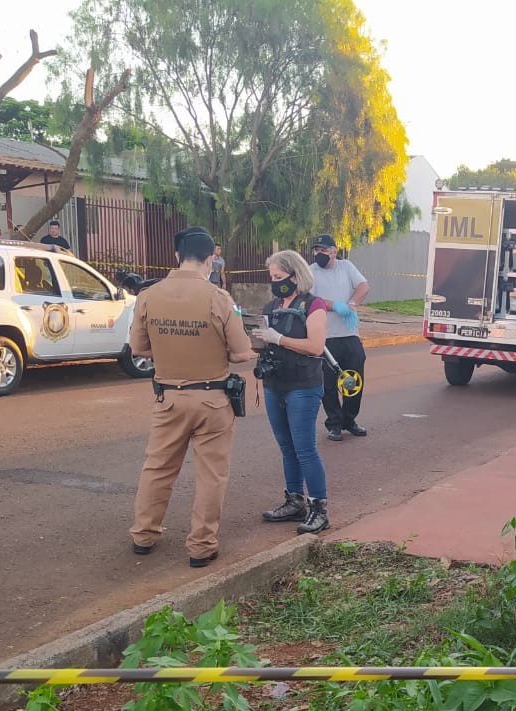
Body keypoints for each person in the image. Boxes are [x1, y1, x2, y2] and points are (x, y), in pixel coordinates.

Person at [128, 226, 254, 567]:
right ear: (211, 260)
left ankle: (144, 535)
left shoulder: (148, 296)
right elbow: (242, 353)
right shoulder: (218, 298)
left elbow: (138, 348)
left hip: (168, 397)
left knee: (157, 468)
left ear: (176, 256)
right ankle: (201, 546)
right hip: (213, 400)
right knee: (211, 475)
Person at [255, 250, 333, 533]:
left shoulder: (314, 305)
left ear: (295, 275)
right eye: (272, 278)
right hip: (275, 384)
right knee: (286, 446)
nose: (274, 282)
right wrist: (256, 339)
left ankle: (319, 508)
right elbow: (265, 343)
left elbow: (315, 346)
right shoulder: (271, 306)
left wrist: (279, 338)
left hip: (303, 385)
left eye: (279, 277)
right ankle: (294, 500)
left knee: (304, 449)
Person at [308, 233, 369, 441]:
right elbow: (309, 300)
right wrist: (335, 305)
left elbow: (363, 286)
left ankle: (349, 420)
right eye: (316, 250)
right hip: (326, 338)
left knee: (354, 379)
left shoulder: (346, 267)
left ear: (334, 251)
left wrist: (352, 304)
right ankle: (334, 423)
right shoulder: (311, 272)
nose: (319, 254)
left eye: (324, 250)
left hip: (349, 334)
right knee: (329, 384)